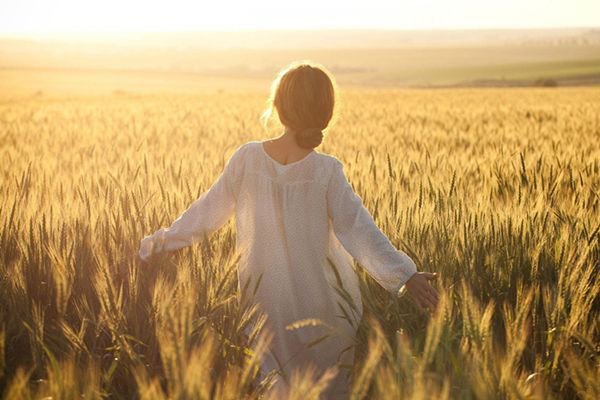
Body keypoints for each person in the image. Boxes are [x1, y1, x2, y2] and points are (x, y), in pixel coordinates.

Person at [137, 61, 439, 399]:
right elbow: (359, 231)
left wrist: (155, 245)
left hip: (265, 308)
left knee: (272, 391)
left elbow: (205, 214)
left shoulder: (248, 159)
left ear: (279, 108)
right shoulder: (326, 171)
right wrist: (405, 276)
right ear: (326, 113)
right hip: (327, 312)